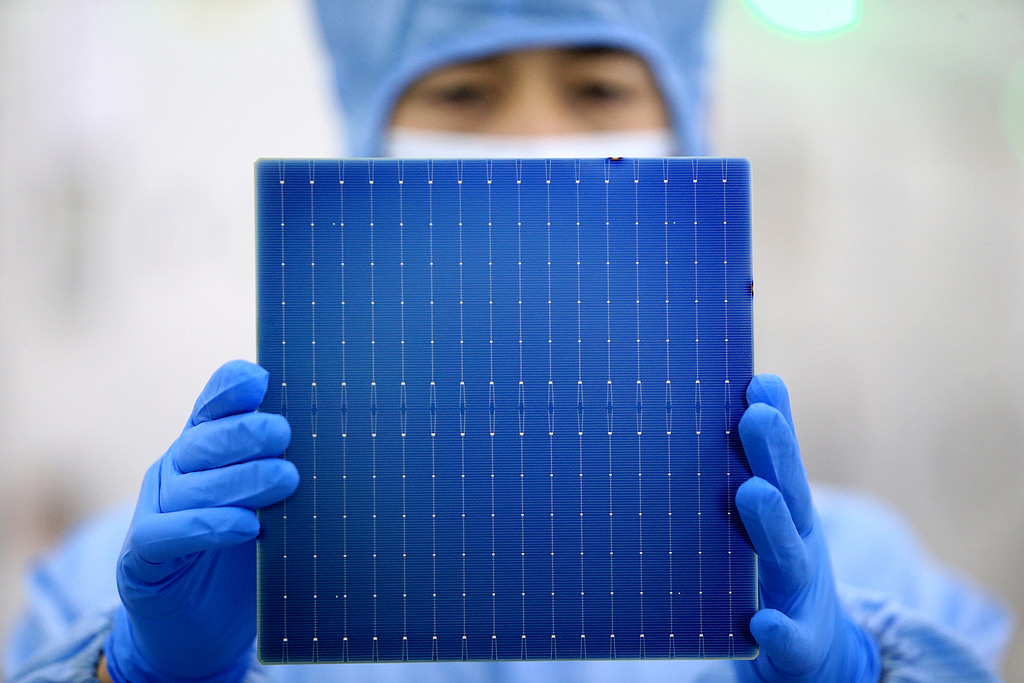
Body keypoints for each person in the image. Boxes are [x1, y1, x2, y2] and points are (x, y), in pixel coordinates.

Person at [3, 1, 1013, 681]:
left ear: (688, 118)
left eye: (598, 90)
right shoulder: (155, 572)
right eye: (465, 93)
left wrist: (864, 668)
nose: (533, 138)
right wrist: (122, 668)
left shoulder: (854, 567)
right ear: (366, 131)